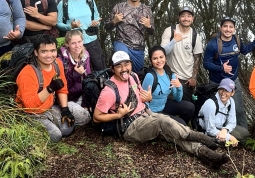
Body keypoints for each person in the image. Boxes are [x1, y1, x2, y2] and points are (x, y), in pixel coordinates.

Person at [93, 51, 230, 167]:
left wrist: (147, 98)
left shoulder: (133, 77)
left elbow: (141, 96)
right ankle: (202, 137)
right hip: (130, 127)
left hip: (145, 115)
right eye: (119, 66)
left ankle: (208, 155)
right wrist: (118, 115)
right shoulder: (109, 91)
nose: (124, 69)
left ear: (130, 64)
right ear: (112, 69)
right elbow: (96, 117)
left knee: (172, 134)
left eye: (126, 64)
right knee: (162, 121)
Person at [203, 16, 255, 131]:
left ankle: (244, 136)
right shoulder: (213, 44)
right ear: (220, 28)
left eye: (231, 27)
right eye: (225, 26)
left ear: (234, 29)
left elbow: (245, 50)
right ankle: (215, 134)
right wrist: (222, 68)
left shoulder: (236, 40)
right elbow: (206, 64)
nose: (228, 29)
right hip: (216, 82)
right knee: (215, 109)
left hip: (233, 82)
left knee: (239, 109)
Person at [16, 35, 75, 142]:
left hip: (49, 107)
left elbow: (62, 88)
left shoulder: (57, 63)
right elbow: (29, 106)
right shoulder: (27, 73)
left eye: (52, 51)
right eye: (44, 51)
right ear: (36, 52)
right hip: (32, 114)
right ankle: (28, 129)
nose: (49, 55)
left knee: (70, 127)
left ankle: (52, 121)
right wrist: (50, 89)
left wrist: (65, 109)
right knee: (56, 136)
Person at [56, 0, 105, 71]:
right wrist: (70, 26)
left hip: (91, 40)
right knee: (77, 71)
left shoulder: (89, 0)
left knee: (100, 68)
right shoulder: (63, 4)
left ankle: (102, 86)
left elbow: (96, 16)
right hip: (74, 43)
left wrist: (97, 23)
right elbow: (57, 23)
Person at [104, 0, 154, 72]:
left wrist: (148, 26)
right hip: (122, 42)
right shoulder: (119, 7)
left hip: (138, 47)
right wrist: (114, 21)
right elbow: (106, 27)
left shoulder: (147, 10)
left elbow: (152, 32)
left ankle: (133, 86)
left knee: (138, 75)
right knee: (123, 65)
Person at [142, 46, 195, 126]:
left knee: (190, 107)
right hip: (153, 112)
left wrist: (179, 87)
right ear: (151, 61)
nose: (159, 61)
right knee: (181, 124)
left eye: (161, 57)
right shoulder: (150, 76)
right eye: (155, 58)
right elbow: (143, 100)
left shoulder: (170, 74)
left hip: (165, 105)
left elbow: (178, 99)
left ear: (165, 58)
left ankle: (176, 125)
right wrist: (150, 116)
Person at [161, 7, 203, 101]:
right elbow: (162, 52)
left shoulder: (195, 36)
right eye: (183, 16)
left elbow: (197, 58)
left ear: (193, 19)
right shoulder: (170, 31)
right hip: (170, 76)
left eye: (189, 16)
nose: (186, 18)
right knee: (169, 105)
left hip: (187, 79)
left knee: (187, 108)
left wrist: (194, 78)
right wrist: (174, 41)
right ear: (179, 18)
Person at [198, 78, 250, 145]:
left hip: (221, 127)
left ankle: (222, 140)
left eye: (227, 91)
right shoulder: (211, 104)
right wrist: (229, 137)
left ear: (232, 93)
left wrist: (225, 130)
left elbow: (232, 122)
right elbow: (210, 129)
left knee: (244, 133)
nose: (223, 93)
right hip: (207, 130)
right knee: (222, 139)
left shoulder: (231, 101)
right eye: (221, 89)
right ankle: (219, 141)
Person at [58, 30, 91, 126]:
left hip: (81, 95)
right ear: (67, 44)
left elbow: (88, 79)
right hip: (67, 99)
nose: (77, 46)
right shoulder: (61, 60)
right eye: (73, 43)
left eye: (79, 42)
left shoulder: (86, 55)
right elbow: (61, 87)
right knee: (85, 118)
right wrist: (75, 73)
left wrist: (86, 103)